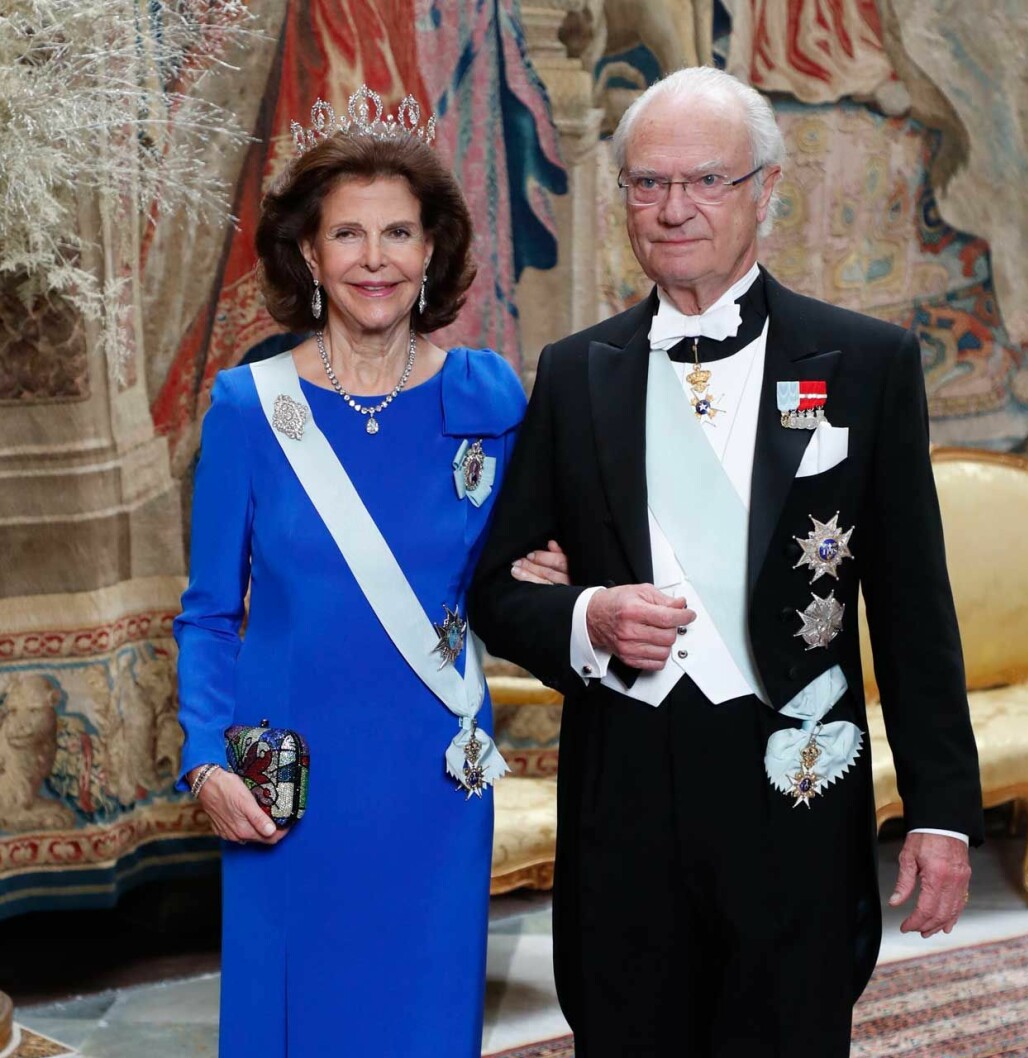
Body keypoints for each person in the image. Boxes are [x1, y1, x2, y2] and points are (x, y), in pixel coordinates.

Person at [470, 66, 983, 1058]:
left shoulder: (864, 363)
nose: (674, 208)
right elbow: (496, 590)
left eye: (706, 180)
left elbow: (913, 608)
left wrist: (942, 811)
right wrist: (587, 617)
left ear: (765, 188)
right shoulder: (573, 373)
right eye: (648, 183)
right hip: (624, 794)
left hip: (794, 789)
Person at [174, 87, 564, 1058]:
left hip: (432, 775)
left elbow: (523, 567)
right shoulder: (249, 406)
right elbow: (209, 612)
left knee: (420, 1021)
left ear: (432, 250)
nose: (374, 258)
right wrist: (205, 757)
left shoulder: (486, 395)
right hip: (287, 777)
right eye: (347, 233)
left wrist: (560, 568)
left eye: (398, 232)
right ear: (308, 254)